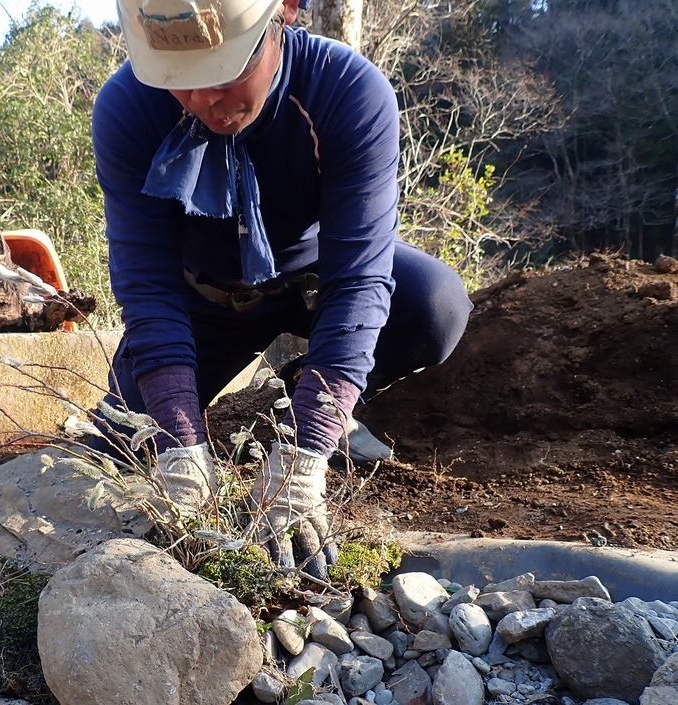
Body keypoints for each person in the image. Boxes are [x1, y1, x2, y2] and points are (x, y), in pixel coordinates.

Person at [91, 0, 473, 577]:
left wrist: (308, 447)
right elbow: (147, 286)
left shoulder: (345, 91)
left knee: (432, 305)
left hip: (316, 282)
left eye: (224, 73)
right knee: (120, 440)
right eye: (180, 83)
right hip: (204, 302)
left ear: (286, 12)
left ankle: (297, 406)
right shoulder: (127, 107)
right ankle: (201, 430)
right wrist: (178, 438)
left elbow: (360, 277)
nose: (203, 101)